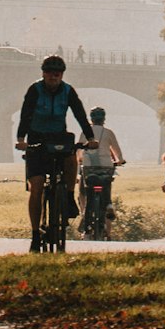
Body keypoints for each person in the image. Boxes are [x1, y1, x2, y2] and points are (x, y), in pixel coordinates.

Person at [15, 55, 97, 252]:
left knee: (71, 156)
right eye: (50, 73)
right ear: (43, 74)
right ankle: (36, 234)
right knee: (36, 187)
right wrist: (21, 139)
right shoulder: (35, 90)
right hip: (36, 138)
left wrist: (90, 137)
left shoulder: (68, 91)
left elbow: (79, 114)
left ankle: (68, 195)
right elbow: (26, 113)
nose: (53, 77)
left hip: (58, 136)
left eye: (57, 74)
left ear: (62, 75)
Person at [77, 106, 124, 237]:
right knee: (106, 184)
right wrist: (119, 160)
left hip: (89, 166)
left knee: (88, 193)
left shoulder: (85, 132)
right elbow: (116, 151)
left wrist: (81, 159)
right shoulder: (108, 133)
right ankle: (108, 204)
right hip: (105, 165)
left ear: (91, 119)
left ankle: (87, 230)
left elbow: (79, 150)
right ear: (104, 119)